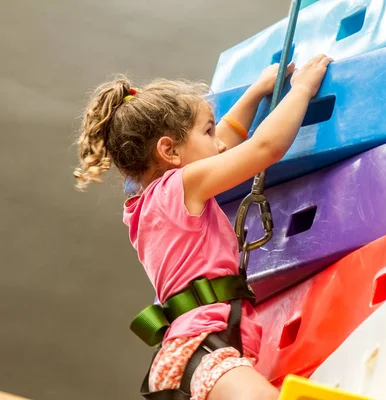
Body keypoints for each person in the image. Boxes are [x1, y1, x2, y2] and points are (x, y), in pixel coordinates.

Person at [73, 54, 333, 400]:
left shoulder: (150, 203)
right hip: (202, 348)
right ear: (169, 151)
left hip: (182, 357)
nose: (220, 141)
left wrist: (256, 92)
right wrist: (301, 89)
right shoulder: (182, 186)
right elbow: (264, 148)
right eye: (207, 131)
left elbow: (227, 138)